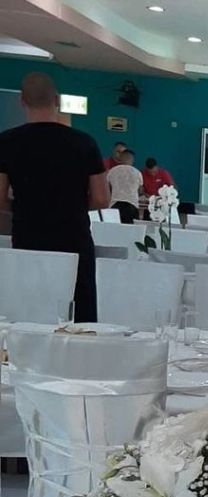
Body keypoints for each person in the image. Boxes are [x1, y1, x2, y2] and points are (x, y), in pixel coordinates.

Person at [0, 72, 108, 322]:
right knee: (79, 317)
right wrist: (72, 206)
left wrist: (22, 208)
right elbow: (102, 199)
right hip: (74, 238)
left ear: (22, 102)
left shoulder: (6, 142)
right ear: (57, 100)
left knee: (30, 313)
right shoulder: (84, 143)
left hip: (28, 237)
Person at [107, 148, 143, 223]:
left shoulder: (112, 171)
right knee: (131, 229)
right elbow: (140, 191)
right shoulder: (137, 173)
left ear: (120, 158)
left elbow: (107, 188)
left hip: (115, 205)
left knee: (114, 228)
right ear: (132, 160)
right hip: (132, 205)